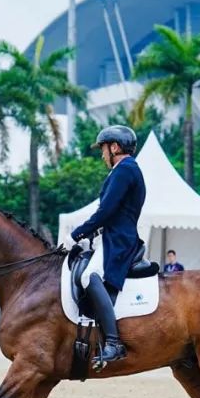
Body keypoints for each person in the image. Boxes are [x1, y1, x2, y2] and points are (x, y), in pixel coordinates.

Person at [70, 125, 145, 370]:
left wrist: (81, 230)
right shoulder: (124, 170)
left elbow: (107, 210)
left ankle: (113, 342)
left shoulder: (124, 170)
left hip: (119, 240)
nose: (102, 155)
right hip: (113, 236)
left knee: (89, 277)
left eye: (103, 148)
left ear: (114, 147)